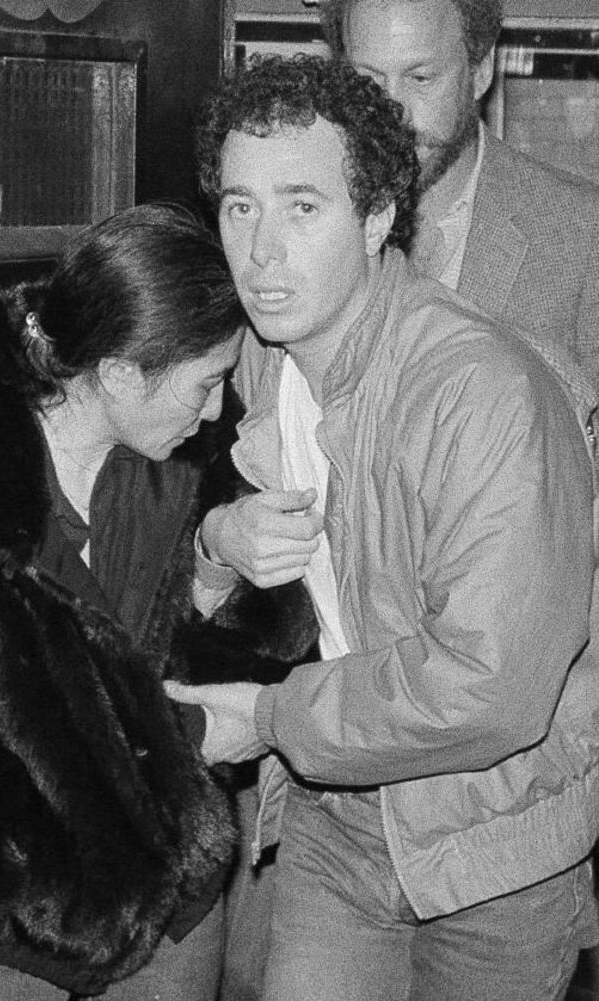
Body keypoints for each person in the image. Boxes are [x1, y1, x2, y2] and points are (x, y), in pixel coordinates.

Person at [167, 55, 599, 1001]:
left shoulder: (484, 394)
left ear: (375, 219)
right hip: (337, 812)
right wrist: (219, 541)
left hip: (490, 843)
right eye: (240, 206)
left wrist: (269, 719)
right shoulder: (263, 360)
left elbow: (491, 689)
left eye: (302, 207)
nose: (262, 251)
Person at [0, 202, 317, 1001]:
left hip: (172, 917)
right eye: (206, 382)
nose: (216, 408)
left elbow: (183, 666)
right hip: (3, 942)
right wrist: (33, 878)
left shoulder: (183, 460)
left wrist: (215, 562)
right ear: (120, 374)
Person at [319, 0, 599, 380]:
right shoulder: (304, 217)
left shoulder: (581, 234)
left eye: (420, 78)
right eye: (368, 80)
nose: (393, 112)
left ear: (480, 71)